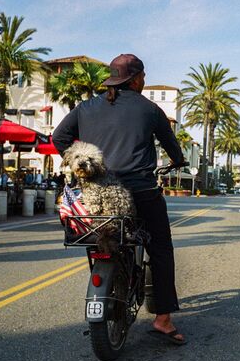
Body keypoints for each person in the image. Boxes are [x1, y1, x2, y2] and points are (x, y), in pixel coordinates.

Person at [53, 53, 187, 344]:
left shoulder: (86, 107)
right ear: (136, 79)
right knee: (161, 248)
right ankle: (163, 320)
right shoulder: (150, 109)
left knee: (98, 236)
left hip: (96, 192)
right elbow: (173, 148)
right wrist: (177, 161)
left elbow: (58, 137)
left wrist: (80, 158)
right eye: (143, 77)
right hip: (141, 191)